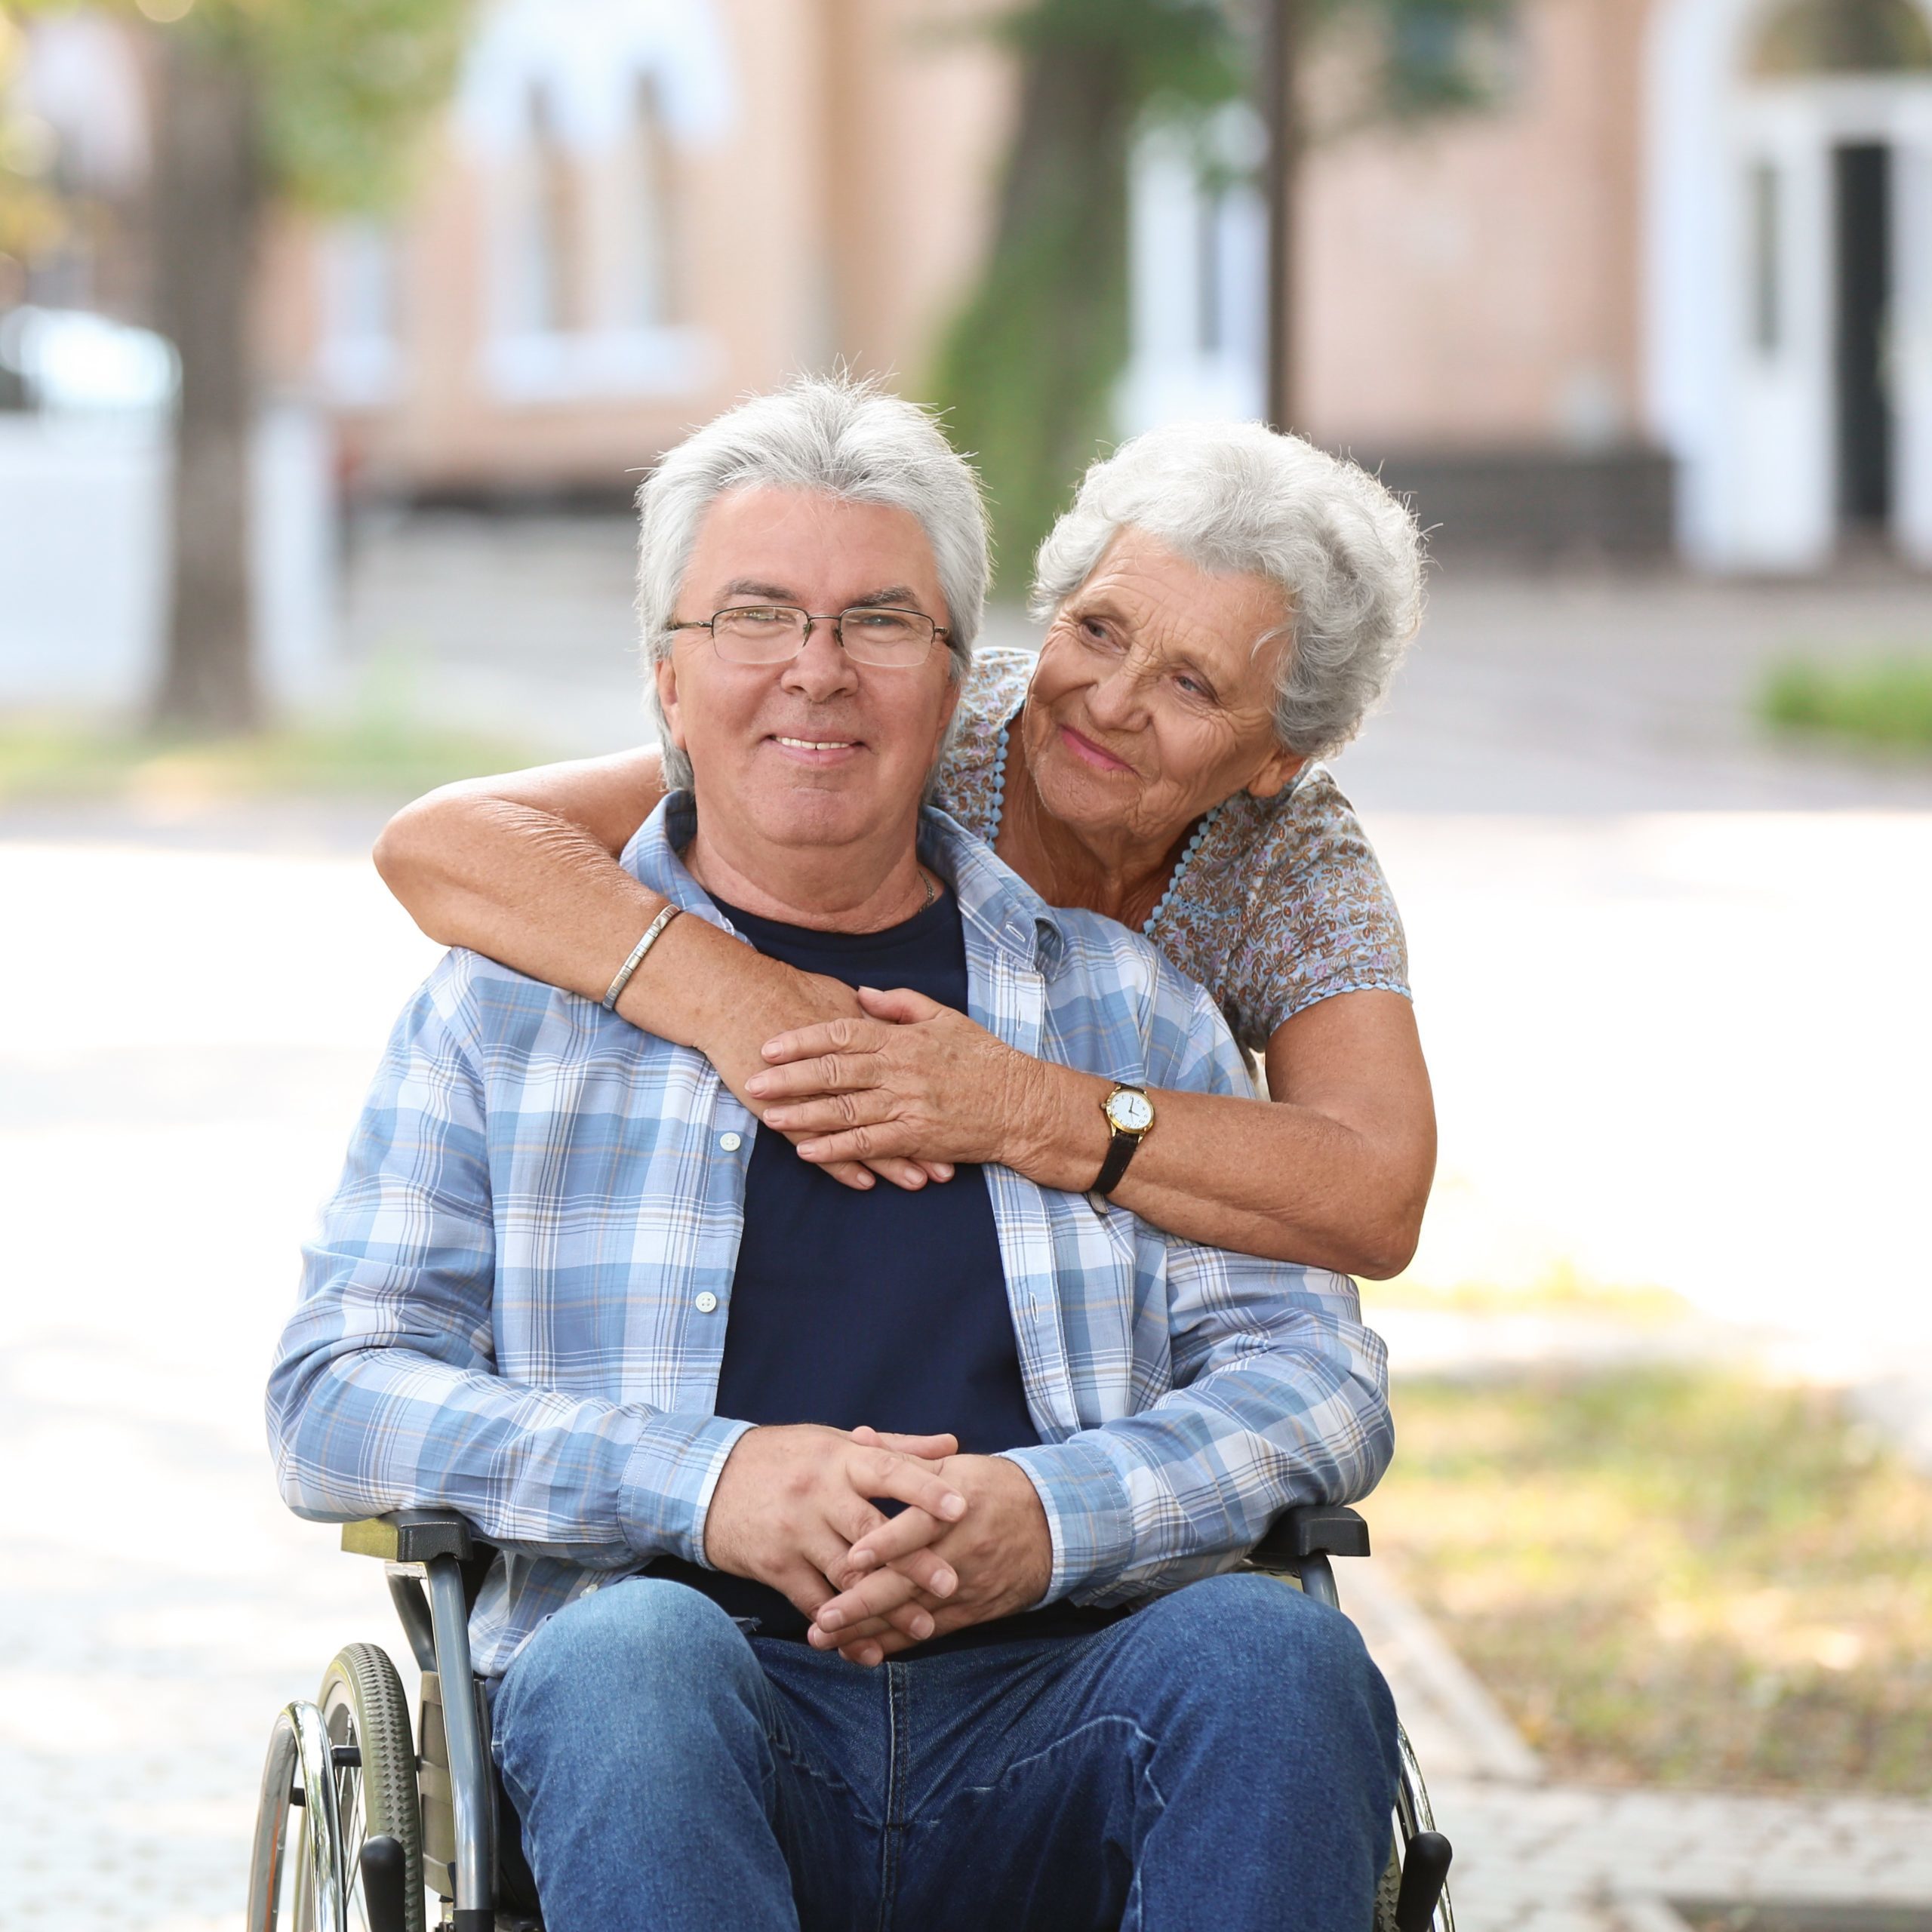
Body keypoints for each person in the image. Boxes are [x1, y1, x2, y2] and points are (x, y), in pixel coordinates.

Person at [269, 378, 1399, 1932]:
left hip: (1058, 1695)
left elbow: (1317, 1370)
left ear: (954, 689)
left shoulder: (1132, 1008)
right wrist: (708, 1480)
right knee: (621, 1654)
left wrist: (1047, 1513)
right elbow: (330, 1390)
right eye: (752, 616)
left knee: (1279, 1658)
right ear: (666, 679)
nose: (815, 669)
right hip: (679, 1697)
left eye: (877, 620)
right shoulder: (505, 1011)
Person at [373, 412, 1434, 1278]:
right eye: (1097, 630)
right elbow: (448, 843)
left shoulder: (1290, 862)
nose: (1108, 703)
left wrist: (1019, 1105)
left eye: (1191, 683)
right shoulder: (921, 720)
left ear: (1277, 758)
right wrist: (740, 1001)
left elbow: (1376, 1194)